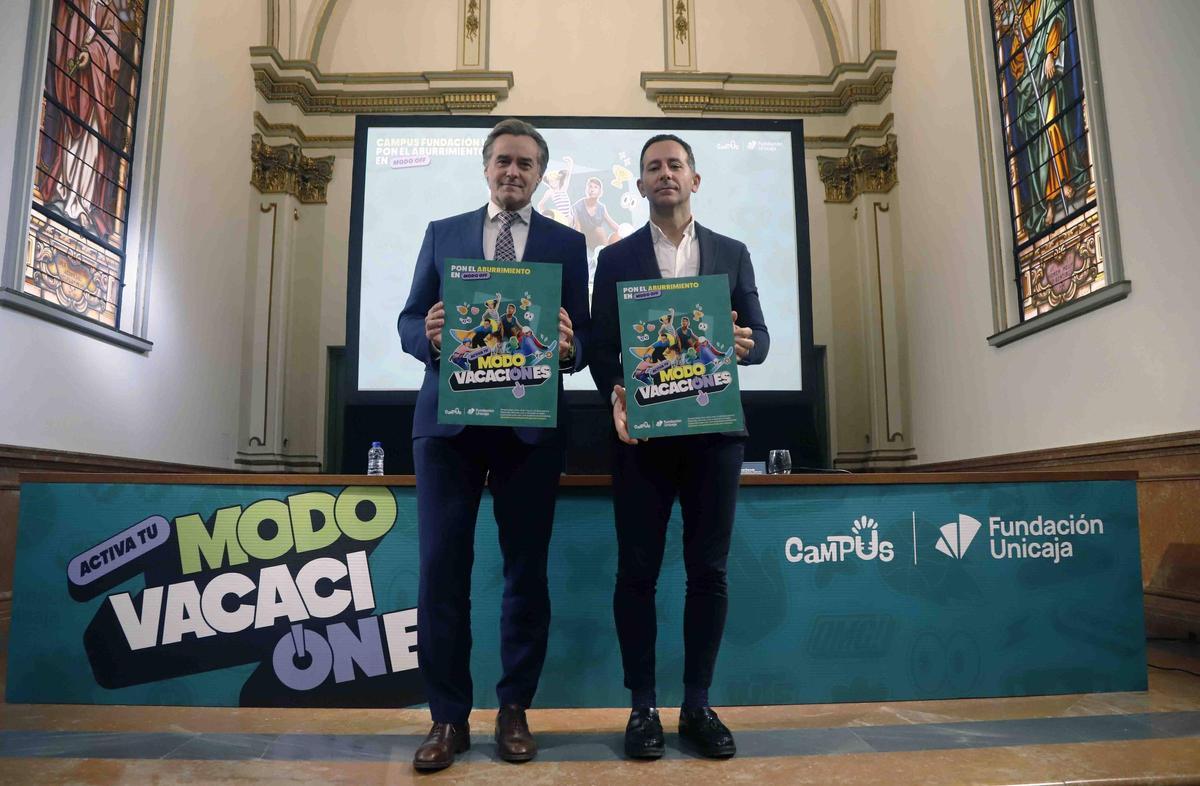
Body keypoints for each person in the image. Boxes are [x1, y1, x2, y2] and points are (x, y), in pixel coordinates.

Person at [397, 118, 590, 772]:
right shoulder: (442, 233)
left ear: (540, 175)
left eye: (526, 163)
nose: (513, 171)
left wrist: (571, 348)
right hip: (448, 430)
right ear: (486, 168)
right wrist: (426, 333)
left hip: (529, 427)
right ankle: (447, 718)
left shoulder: (567, 243)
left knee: (525, 574)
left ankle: (514, 710)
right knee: (440, 573)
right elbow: (407, 319)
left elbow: (584, 335)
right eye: (504, 160)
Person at [589, 134, 769, 761]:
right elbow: (601, 350)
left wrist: (746, 343)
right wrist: (617, 392)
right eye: (653, 168)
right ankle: (642, 707)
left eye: (675, 165)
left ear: (695, 179)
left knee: (708, 574)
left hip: (714, 436)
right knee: (636, 574)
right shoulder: (614, 258)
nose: (664, 173)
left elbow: (760, 336)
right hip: (642, 438)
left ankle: (696, 705)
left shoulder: (732, 253)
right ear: (640, 185)